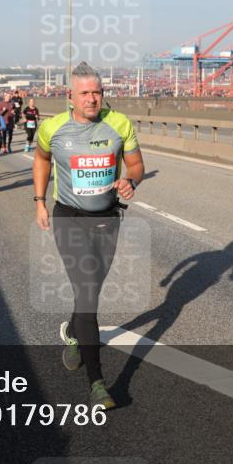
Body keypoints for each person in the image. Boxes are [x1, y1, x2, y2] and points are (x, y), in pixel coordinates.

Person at [34, 62, 145, 410]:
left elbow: (137, 164)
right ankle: (98, 383)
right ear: (70, 96)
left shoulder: (119, 124)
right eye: (84, 93)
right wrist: (39, 200)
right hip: (69, 218)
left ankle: (73, 331)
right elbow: (41, 159)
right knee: (89, 295)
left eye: (97, 92)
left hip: (108, 219)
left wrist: (131, 180)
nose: (92, 99)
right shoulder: (53, 128)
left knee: (91, 289)